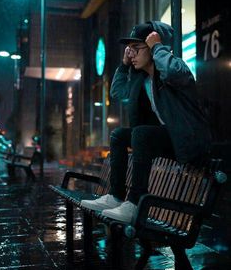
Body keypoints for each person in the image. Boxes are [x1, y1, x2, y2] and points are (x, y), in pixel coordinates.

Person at [81, 21, 211, 223]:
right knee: (119, 135)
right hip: (171, 140)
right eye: (129, 50)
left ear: (152, 47)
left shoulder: (175, 69)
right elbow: (117, 93)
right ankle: (115, 196)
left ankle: (134, 203)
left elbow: (174, 72)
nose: (131, 54)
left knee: (141, 133)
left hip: (189, 140)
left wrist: (157, 47)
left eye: (137, 48)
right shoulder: (143, 80)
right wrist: (124, 65)